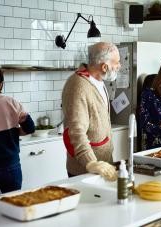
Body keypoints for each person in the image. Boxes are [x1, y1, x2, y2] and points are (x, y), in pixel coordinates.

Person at [62, 42, 121, 181]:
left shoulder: (98, 81)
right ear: (104, 66)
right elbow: (76, 132)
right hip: (84, 170)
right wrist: (91, 163)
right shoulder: (78, 86)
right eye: (116, 63)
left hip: (103, 165)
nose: (119, 66)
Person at [0, 65, 35, 196]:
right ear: (0, 84)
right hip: (10, 166)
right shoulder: (10, 102)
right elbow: (30, 128)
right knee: (13, 204)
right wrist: (14, 132)